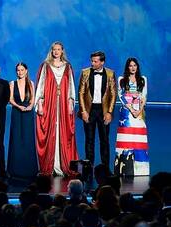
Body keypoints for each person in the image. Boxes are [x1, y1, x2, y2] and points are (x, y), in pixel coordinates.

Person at [35, 42, 78, 176]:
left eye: (59, 49)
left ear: (62, 51)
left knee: (63, 132)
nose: (56, 52)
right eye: (54, 49)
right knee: (50, 132)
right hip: (49, 103)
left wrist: (71, 101)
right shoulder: (45, 66)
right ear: (51, 51)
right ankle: (50, 165)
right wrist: (40, 103)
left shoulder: (67, 66)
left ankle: (62, 164)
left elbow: (71, 85)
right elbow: (41, 85)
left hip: (63, 105)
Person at [78, 51, 117, 172]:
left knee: (104, 140)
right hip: (90, 110)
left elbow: (113, 94)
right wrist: (83, 111)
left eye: (95, 61)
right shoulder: (85, 72)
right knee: (89, 140)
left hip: (103, 111)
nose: (92, 63)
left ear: (102, 62)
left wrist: (109, 112)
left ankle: (105, 168)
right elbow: (81, 92)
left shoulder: (110, 74)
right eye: (92, 61)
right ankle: (89, 168)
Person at [114, 57, 149, 176]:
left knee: (139, 140)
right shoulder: (121, 80)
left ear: (137, 67)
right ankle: (123, 169)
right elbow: (121, 96)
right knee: (125, 141)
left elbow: (144, 96)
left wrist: (138, 110)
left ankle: (141, 169)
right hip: (126, 113)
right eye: (130, 65)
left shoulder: (143, 79)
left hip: (139, 114)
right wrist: (131, 109)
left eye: (135, 65)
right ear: (127, 67)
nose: (133, 68)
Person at [7, 62, 38, 179]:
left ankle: (29, 169)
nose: (20, 72)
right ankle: (15, 169)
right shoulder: (12, 83)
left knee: (28, 139)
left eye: (22, 70)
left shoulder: (31, 83)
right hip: (17, 112)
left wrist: (30, 106)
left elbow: (33, 99)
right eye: (18, 70)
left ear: (26, 70)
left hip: (28, 114)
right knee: (16, 139)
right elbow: (10, 99)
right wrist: (19, 106)